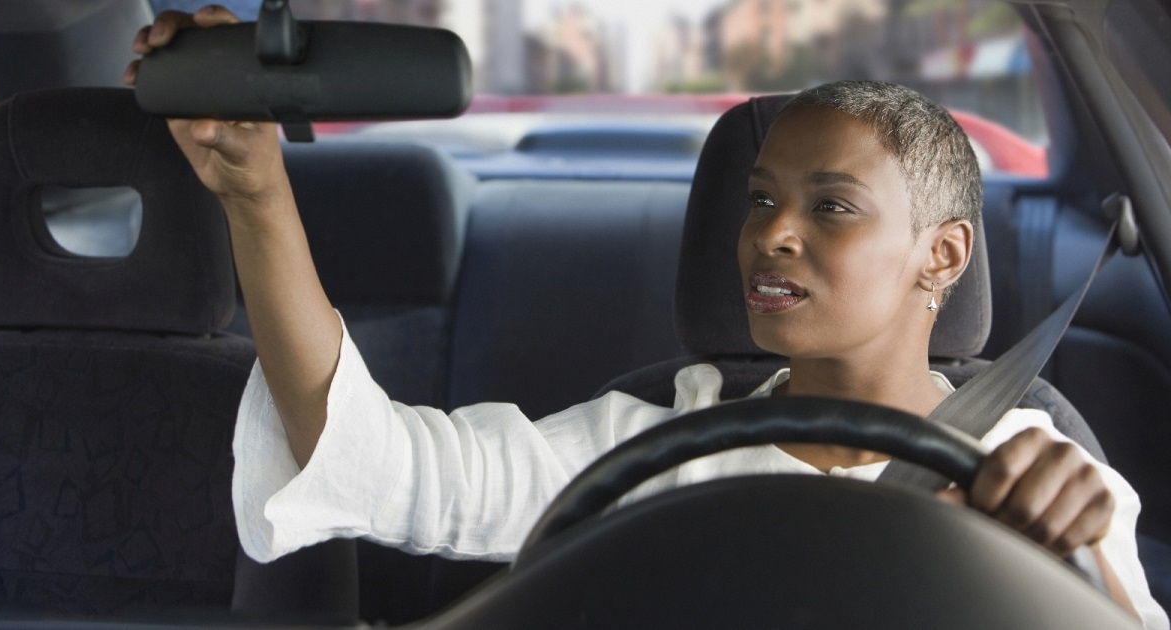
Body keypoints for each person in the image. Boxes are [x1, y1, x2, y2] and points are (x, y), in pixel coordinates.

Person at [125, 7, 1166, 627]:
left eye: (831, 208)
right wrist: (256, 194)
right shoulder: (654, 442)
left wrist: (1062, 558)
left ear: (942, 256)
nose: (770, 235)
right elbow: (384, 466)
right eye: (759, 199)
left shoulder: (1034, 468)